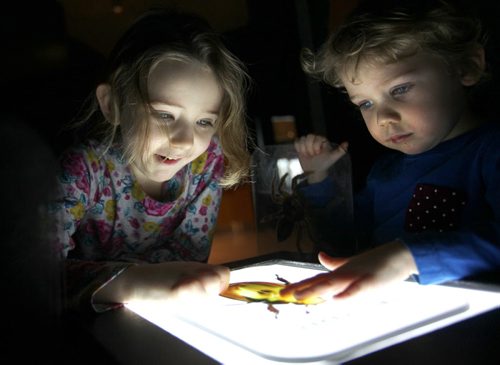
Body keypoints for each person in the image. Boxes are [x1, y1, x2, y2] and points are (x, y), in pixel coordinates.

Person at [280, 0, 500, 302]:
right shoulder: (385, 171)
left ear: (467, 66)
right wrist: (319, 180)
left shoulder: (490, 152)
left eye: (399, 89)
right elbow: (343, 243)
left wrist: (405, 258)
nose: (382, 118)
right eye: (365, 104)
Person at [51, 8, 252, 312]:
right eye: (164, 115)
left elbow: (189, 263)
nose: (185, 141)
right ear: (112, 104)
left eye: (204, 122)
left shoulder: (207, 161)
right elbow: (34, 273)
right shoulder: (84, 170)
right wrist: (134, 282)